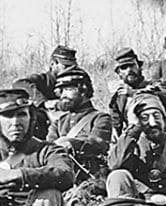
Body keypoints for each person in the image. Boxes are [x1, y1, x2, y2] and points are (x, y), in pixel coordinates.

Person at [47, 66, 117, 194]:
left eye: (68, 89)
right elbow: (48, 147)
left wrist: (70, 143)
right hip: (62, 180)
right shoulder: (59, 122)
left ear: (83, 90)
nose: (63, 96)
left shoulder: (100, 118)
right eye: (61, 92)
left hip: (91, 181)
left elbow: (97, 144)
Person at [106, 48, 164, 132]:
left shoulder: (152, 86)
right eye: (124, 67)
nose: (129, 70)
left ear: (139, 67)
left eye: (132, 65)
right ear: (119, 73)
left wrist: (134, 93)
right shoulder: (118, 97)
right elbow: (116, 123)